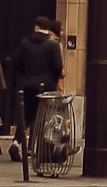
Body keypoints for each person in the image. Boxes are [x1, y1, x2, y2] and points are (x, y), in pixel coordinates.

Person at [7, 14, 65, 157]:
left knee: (26, 116)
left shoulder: (25, 43)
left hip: (28, 84)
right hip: (47, 86)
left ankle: (16, 143)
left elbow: (15, 62)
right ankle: (46, 150)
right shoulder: (53, 44)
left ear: (36, 27)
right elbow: (58, 66)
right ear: (48, 29)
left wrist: (26, 74)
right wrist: (53, 79)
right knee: (48, 118)